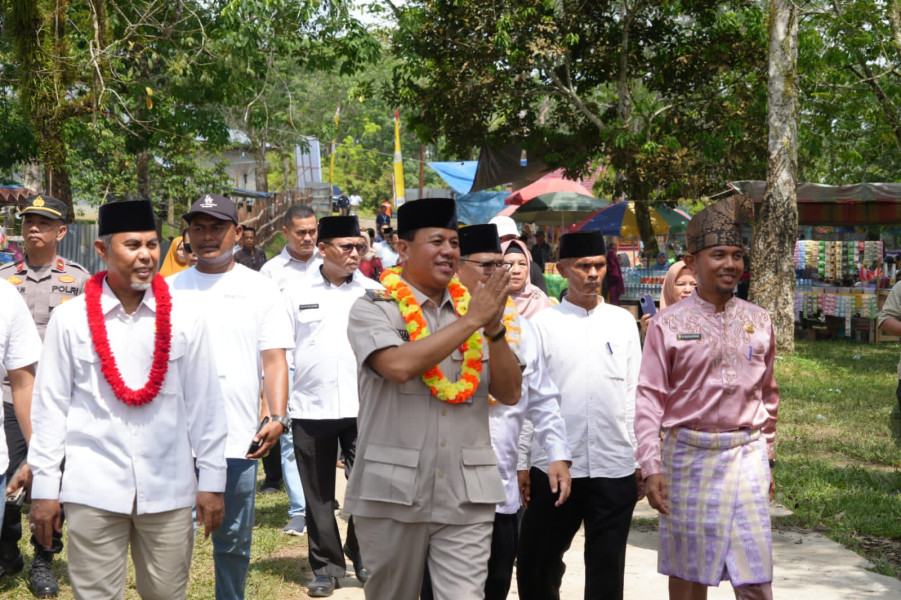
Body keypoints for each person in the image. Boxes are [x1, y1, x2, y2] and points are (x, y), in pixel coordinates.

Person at [27, 199, 228, 600]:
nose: (146, 256)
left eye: (153, 245)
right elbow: (50, 409)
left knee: (167, 594)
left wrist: (212, 481)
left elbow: (206, 404)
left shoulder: (186, 317)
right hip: (92, 489)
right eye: (132, 245)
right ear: (102, 250)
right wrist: (45, 489)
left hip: (169, 489)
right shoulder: (71, 319)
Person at [345, 198, 522, 600]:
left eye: (455, 243)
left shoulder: (474, 308)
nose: (449, 251)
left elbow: (510, 393)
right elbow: (398, 367)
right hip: (393, 494)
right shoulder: (375, 308)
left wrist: (493, 331)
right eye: (437, 241)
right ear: (403, 249)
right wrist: (474, 321)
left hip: (466, 494)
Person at [635, 194, 779, 600]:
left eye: (737, 255)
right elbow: (648, 399)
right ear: (692, 261)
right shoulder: (667, 324)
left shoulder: (759, 320)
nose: (730, 264)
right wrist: (650, 466)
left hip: (746, 454)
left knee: (755, 576)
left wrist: (768, 457)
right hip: (687, 457)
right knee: (688, 576)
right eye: (719, 254)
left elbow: (768, 394)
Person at [168, 194, 293, 600]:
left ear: (237, 233)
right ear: (187, 234)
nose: (207, 237)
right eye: (198, 228)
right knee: (172, 545)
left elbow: (274, 359)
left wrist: (276, 415)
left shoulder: (260, 289)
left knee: (235, 540)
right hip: (175, 438)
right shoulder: (166, 290)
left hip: (238, 436)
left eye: (217, 228)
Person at [518, 230, 643, 600]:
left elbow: (634, 391)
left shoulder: (621, 322)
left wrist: (638, 458)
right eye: (583, 266)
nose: (592, 273)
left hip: (613, 463)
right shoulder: (542, 325)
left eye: (599, 265)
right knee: (539, 560)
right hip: (556, 466)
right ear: (561, 269)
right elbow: (530, 398)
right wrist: (523, 461)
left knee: (607, 566)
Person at [452, 224, 572, 600]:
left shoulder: (521, 327)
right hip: (448, 489)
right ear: (457, 267)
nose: (496, 274)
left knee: (497, 583)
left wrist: (557, 454)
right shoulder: (435, 323)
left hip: (499, 486)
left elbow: (544, 398)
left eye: (499, 266)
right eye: (486, 265)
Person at [284, 216, 380, 597]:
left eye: (359, 246)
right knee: (318, 492)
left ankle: (364, 556)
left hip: (365, 407)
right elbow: (284, 353)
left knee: (367, 486)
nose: (355, 253)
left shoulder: (374, 292)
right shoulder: (293, 292)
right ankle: (326, 566)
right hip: (310, 406)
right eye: (346, 246)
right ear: (322, 249)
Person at [0, 194, 90, 597]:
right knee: (5, 480)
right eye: (28, 221)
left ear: (61, 231)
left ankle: (42, 561)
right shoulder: (5, 280)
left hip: (55, 400)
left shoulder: (80, 279)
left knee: (48, 482)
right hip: (7, 394)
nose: (33, 228)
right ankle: (7, 552)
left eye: (43, 222)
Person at [258, 204, 317, 535]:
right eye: (301, 232)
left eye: (312, 231)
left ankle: (325, 501)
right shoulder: (271, 271)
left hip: (324, 365)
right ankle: (299, 510)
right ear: (285, 232)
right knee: (292, 437)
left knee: (327, 436)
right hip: (288, 365)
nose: (308, 237)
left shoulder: (329, 263)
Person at [490, 216, 549, 294]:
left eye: (509, 237)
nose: (504, 242)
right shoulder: (484, 268)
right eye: (499, 238)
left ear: (516, 238)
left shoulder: (532, 268)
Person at [640, 261, 697, 335]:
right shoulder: (657, 319)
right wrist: (647, 333)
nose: (688, 290)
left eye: (694, 284)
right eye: (681, 284)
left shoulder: (709, 316)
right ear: (669, 287)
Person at [501, 239, 554, 318]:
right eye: (508, 264)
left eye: (522, 264)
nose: (516, 270)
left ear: (528, 267)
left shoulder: (539, 300)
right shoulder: (488, 299)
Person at [606, 237, 625, 306]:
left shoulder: (611, 266)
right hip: (613, 289)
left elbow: (615, 276)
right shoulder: (614, 265)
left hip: (612, 289)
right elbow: (616, 276)